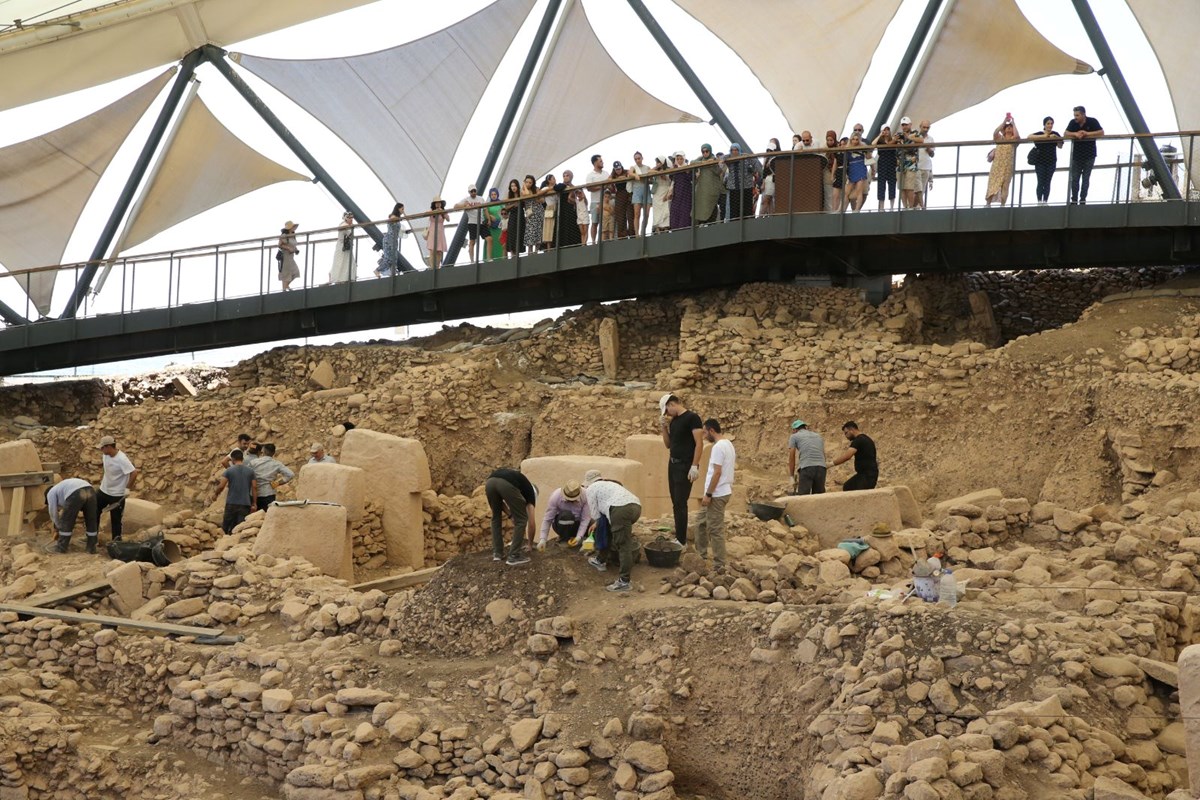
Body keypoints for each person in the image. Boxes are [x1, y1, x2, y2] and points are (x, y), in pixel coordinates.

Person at [582, 473, 642, 592]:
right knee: (610, 530)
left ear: (587, 484)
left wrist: (596, 528)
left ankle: (624, 582)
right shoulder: (609, 484)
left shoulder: (591, 489)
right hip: (636, 507)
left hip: (620, 510)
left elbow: (595, 515)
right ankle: (600, 560)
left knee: (623, 545)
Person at [659, 393, 703, 546]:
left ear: (672, 404)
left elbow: (699, 443)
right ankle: (679, 536)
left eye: (666, 410)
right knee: (675, 501)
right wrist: (664, 427)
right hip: (673, 464)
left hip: (685, 465)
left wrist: (694, 465)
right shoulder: (675, 421)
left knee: (681, 501)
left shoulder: (692, 418)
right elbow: (668, 444)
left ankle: (681, 540)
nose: (667, 414)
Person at [695, 419, 734, 568]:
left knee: (715, 529)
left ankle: (719, 565)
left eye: (705, 432)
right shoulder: (728, 444)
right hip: (718, 492)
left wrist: (708, 494)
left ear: (712, 430)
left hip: (717, 494)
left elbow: (717, 472)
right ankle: (700, 556)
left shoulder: (718, 447)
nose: (704, 436)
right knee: (700, 522)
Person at [485, 467, 537, 565]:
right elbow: (531, 522)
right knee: (521, 520)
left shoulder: (521, 483)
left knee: (496, 517)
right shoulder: (530, 495)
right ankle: (514, 556)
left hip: (490, 482)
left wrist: (510, 515)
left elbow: (500, 504)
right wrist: (530, 544)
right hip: (505, 484)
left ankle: (497, 553)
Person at [96, 435, 137, 543]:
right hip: (103, 491)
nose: (101, 450)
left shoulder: (121, 459)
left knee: (116, 519)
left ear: (109, 446)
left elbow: (134, 472)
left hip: (117, 494)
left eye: (102, 447)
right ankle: (92, 536)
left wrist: (127, 488)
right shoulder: (105, 455)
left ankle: (116, 542)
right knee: (94, 511)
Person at [46, 477, 99, 554]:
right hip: (90, 490)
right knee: (91, 519)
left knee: (66, 521)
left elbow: (53, 512)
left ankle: (61, 547)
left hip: (76, 492)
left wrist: (58, 526)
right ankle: (91, 548)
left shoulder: (50, 493)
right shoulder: (62, 488)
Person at [212, 449, 256, 535]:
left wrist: (216, 494)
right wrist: (254, 503)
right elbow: (254, 487)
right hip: (245, 503)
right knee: (239, 528)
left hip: (231, 503)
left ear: (232, 459)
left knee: (225, 528)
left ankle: (222, 545)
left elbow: (221, 486)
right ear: (242, 458)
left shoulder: (229, 470)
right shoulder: (251, 471)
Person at [538, 479, 591, 550]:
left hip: (577, 523)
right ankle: (564, 538)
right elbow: (548, 519)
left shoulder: (585, 495)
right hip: (561, 523)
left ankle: (581, 538)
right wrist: (543, 539)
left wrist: (579, 536)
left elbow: (585, 518)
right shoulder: (556, 496)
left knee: (594, 523)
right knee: (567, 515)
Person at [1065, 105, 1103, 204]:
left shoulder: (1092, 121)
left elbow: (1101, 132)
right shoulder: (1073, 123)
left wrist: (1086, 134)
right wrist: (1075, 134)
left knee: (1086, 178)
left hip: (1090, 155)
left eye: (1077, 115)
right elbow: (1065, 133)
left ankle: (1083, 199)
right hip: (1077, 156)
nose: (1075, 117)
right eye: (1074, 115)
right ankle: (1074, 199)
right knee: (1075, 178)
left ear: (1083, 115)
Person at [832, 421, 878, 491]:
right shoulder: (866, 438)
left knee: (851, 489)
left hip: (866, 476)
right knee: (848, 486)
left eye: (846, 433)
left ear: (852, 430)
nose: (846, 436)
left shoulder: (858, 440)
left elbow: (847, 456)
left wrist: (831, 464)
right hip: (867, 474)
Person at [986, 115, 1020, 207]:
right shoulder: (1000, 138)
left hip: (1008, 165)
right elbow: (995, 132)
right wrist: (1004, 122)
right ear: (1004, 130)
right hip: (997, 165)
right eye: (1007, 127)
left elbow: (1017, 136)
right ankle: (988, 203)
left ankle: (1003, 204)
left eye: (1011, 127)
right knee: (993, 182)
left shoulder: (1013, 140)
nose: (1009, 128)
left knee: (1005, 184)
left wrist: (1014, 123)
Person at [248, 443, 294, 509]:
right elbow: (290, 474)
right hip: (269, 493)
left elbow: (247, 475)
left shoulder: (253, 462)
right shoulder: (277, 464)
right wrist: (277, 483)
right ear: (273, 453)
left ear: (262, 451)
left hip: (255, 494)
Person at [1029, 117, 1063, 205]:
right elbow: (1029, 137)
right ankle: (1039, 200)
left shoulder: (1055, 134)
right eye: (1048, 123)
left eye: (1051, 123)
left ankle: (1045, 201)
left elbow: (1060, 146)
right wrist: (1045, 136)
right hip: (1040, 161)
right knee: (1040, 181)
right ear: (1044, 124)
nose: (1050, 125)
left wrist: (1056, 138)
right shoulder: (1039, 133)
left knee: (1048, 181)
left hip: (1051, 161)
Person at [787, 420, 827, 495]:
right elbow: (823, 454)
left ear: (795, 429)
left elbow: (791, 456)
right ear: (805, 427)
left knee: (803, 497)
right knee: (819, 497)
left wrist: (791, 476)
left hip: (807, 467)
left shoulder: (794, 436)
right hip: (822, 468)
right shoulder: (818, 436)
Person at [724, 142, 760, 220]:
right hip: (734, 187)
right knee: (734, 210)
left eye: (736, 150)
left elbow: (756, 165)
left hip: (746, 187)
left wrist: (752, 170)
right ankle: (735, 227)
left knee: (746, 209)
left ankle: (748, 226)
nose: (734, 152)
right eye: (732, 150)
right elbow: (721, 159)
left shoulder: (746, 157)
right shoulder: (729, 158)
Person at [896, 117, 924, 209]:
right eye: (903, 125)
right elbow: (892, 142)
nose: (904, 127)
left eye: (906, 124)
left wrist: (908, 137)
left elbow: (921, 140)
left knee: (909, 187)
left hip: (911, 164)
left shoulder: (915, 133)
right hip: (900, 164)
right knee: (902, 187)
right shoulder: (898, 134)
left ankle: (911, 206)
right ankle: (905, 206)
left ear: (910, 125)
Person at [691, 144, 722, 225]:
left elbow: (718, 171)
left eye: (706, 151)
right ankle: (702, 223)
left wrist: (713, 163)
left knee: (712, 205)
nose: (705, 153)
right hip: (702, 189)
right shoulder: (701, 159)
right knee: (701, 206)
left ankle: (711, 223)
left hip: (712, 188)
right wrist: (704, 162)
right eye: (703, 151)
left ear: (710, 151)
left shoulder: (714, 159)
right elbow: (691, 163)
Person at [453, 185, 484, 264]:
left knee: (488, 238)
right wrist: (464, 205)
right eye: (471, 191)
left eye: (474, 191)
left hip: (481, 222)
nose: (473, 192)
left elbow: (485, 209)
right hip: (472, 222)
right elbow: (455, 206)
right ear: (469, 192)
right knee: (472, 242)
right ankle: (472, 260)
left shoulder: (481, 198)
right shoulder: (466, 199)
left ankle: (486, 258)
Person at [844, 126, 870, 212]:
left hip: (860, 167)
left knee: (859, 190)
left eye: (857, 139)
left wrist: (866, 150)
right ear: (851, 139)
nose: (855, 141)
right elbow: (845, 159)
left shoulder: (863, 147)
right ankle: (842, 209)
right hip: (852, 169)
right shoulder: (848, 148)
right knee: (847, 192)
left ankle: (857, 209)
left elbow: (869, 157)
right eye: (853, 139)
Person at [374, 203, 404, 277]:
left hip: (394, 240)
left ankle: (392, 273)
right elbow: (391, 219)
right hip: (389, 239)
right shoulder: (393, 216)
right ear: (398, 209)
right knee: (388, 259)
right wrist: (398, 219)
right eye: (402, 209)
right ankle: (377, 270)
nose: (403, 211)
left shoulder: (397, 218)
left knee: (394, 258)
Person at [554, 172, 583, 248]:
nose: (565, 177)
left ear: (571, 177)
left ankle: (573, 244)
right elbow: (556, 188)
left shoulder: (574, 187)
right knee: (562, 226)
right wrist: (565, 185)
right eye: (564, 176)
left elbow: (580, 197)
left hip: (571, 210)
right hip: (562, 209)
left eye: (567, 175)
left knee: (572, 226)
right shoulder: (561, 185)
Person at [873, 126, 898, 211]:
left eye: (888, 130)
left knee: (892, 183)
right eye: (884, 130)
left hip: (891, 162)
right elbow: (873, 144)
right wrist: (880, 135)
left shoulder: (894, 139)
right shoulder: (880, 141)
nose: (886, 131)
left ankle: (891, 207)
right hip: (882, 163)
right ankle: (881, 207)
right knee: (881, 184)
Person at [667, 151, 693, 230]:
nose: (679, 160)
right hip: (677, 193)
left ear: (684, 159)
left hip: (686, 193)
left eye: (681, 159)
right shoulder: (674, 169)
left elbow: (691, 178)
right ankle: (675, 230)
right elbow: (672, 180)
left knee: (685, 211)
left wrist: (687, 172)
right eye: (677, 159)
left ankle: (684, 229)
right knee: (675, 211)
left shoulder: (688, 168)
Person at [330, 211, 357, 284]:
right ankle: (342, 279)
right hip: (343, 246)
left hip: (343, 246)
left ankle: (342, 278)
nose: (351, 219)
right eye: (350, 218)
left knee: (344, 262)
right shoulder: (345, 225)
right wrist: (352, 226)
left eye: (352, 218)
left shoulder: (344, 225)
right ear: (346, 218)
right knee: (343, 262)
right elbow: (351, 235)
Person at [585, 154, 606, 244]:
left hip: (606, 202)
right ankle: (593, 241)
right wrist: (602, 187)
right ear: (595, 162)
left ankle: (602, 240)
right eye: (600, 161)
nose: (602, 162)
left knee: (604, 223)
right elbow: (589, 188)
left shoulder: (606, 173)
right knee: (595, 223)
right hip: (595, 202)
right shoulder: (590, 175)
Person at [521, 175, 544, 253]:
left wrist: (537, 197)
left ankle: (536, 250)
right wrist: (524, 185)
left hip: (538, 211)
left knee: (538, 230)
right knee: (530, 231)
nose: (528, 184)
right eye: (526, 182)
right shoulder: (523, 190)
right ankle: (529, 251)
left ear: (533, 183)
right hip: (529, 213)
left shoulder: (536, 189)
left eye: (530, 182)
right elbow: (526, 194)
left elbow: (542, 200)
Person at [629, 151, 650, 235]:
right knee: (637, 213)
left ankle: (643, 231)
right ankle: (637, 233)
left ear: (642, 158)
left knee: (647, 214)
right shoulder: (633, 167)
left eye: (639, 158)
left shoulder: (647, 167)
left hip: (646, 190)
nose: (637, 160)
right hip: (637, 190)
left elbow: (651, 176)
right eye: (636, 159)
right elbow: (630, 172)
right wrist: (635, 175)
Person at [610, 161, 633, 238]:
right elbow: (608, 180)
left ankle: (633, 234)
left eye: (619, 169)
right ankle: (622, 235)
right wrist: (616, 178)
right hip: (619, 194)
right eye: (616, 169)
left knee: (630, 215)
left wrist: (622, 177)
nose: (618, 170)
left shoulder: (626, 171)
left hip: (628, 193)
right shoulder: (613, 175)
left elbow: (630, 173)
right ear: (614, 169)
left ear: (621, 167)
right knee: (620, 216)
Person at [650, 156, 672, 232]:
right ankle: (657, 227)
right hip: (657, 192)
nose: (658, 163)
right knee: (657, 210)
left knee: (666, 209)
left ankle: (665, 227)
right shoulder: (655, 170)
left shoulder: (668, 169)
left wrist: (664, 175)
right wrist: (657, 168)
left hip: (665, 191)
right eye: (657, 162)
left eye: (659, 162)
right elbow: (649, 172)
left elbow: (669, 180)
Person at [426, 196, 449, 268]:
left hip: (440, 232)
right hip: (432, 231)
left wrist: (442, 211)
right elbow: (425, 213)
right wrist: (434, 212)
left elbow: (448, 219)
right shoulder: (431, 211)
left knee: (439, 251)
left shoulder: (443, 211)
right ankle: (432, 267)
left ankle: (438, 266)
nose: (438, 204)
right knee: (432, 250)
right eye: (436, 203)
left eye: (439, 203)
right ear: (434, 204)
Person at [916, 120, 935, 208]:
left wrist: (928, 148)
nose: (926, 129)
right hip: (916, 166)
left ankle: (914, 207)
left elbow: (932, 154)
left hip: (926, 167)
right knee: (918, 189)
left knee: (922, 190)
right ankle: (922, 206)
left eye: (927, 127)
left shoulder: (931, 139)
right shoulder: (915, 137)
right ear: (920, 126)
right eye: (924, 127)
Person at [277, 221, 300, 290]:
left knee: (295, 272)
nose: (294, 228)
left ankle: (286, 286)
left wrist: (295, 249)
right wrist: (288, 248)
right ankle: (284, 289)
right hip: (285, 256)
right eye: (293, 227)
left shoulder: (293, 235)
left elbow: (293, 244)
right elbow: (279, 244)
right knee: (286, 273)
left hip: (291, 256)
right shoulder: (284, 235)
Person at [759, 138, 780, 216]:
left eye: (770, 150)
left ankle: (760, 217)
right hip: (768, 180)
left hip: (772, 180)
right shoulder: (767, 158)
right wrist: (763, 183)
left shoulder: (777, 158)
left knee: (767, 200)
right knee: (769, 201)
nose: (768, 152)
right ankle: (770, 217)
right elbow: (764, 171)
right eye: (767, 150)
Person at [504, 179, 523, 258]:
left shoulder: (520, 193)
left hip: (520, 215)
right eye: (512, 186)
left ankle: (517, 254)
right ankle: (512, 254)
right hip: (512, 216)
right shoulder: (509, 195)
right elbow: (506, 207)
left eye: (515, 185)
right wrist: (513, 204)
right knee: (511, 234)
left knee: (519, 233)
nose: (513, 187)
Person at [484, 188, 505, 261]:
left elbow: (505, 213)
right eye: (492, 194)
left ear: (497, 195)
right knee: (491, 242)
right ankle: (489, 258)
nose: (493, 196)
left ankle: (501, 260)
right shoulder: (488, 205)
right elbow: (484, 214)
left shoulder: (501, 204)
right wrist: (489, 216)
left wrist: (498, 220)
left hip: (500, 228)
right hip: (491, 228)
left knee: (501, 243)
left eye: (495, 194)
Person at [541, 174, 557, 250]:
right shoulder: (546, 188)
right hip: (549, 207)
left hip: (556, 207)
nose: (555, 180)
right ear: (549, 180)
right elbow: (540, 193)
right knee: (548, 226)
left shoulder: (556, 187)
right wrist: (551, 188)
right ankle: (548, 247)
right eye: (553, 178)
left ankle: (554, 246)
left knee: (555, 227)